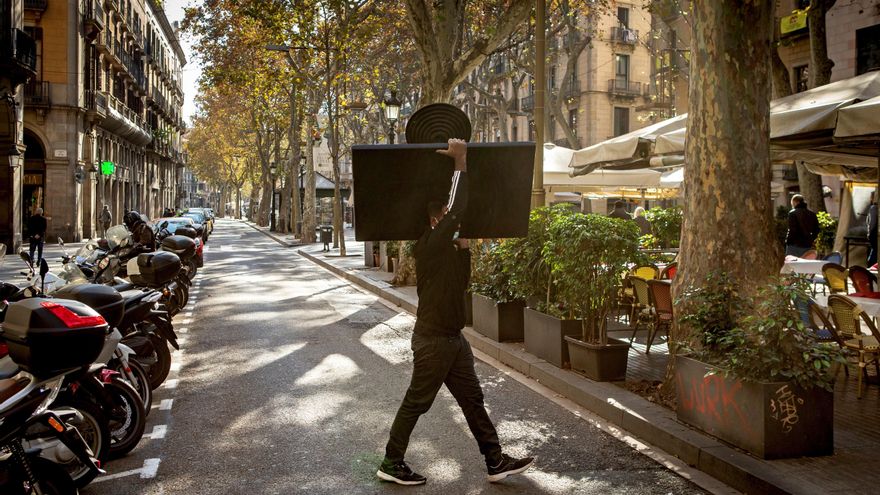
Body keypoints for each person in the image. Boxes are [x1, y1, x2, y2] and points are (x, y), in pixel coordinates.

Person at [377, 138, 534, 486]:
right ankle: (391, 461)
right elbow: (458, 207)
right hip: (433, 341)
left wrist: (464, 248)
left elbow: (460, 280)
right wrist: (460, 161)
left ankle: (495, 461)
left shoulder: (448, 249)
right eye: (448, 219)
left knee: (473, 401)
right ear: (436, 221)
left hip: (453, 339)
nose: (455, 224)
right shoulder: (429, 245)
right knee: (416, 402)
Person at [868, 195, 878, 266]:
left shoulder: (874, 208)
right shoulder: (874, 208)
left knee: (874, 251)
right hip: (874, 233)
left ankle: (871, 265)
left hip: (874, 233)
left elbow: (872, 223)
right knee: (874, 251)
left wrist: (869, 233)